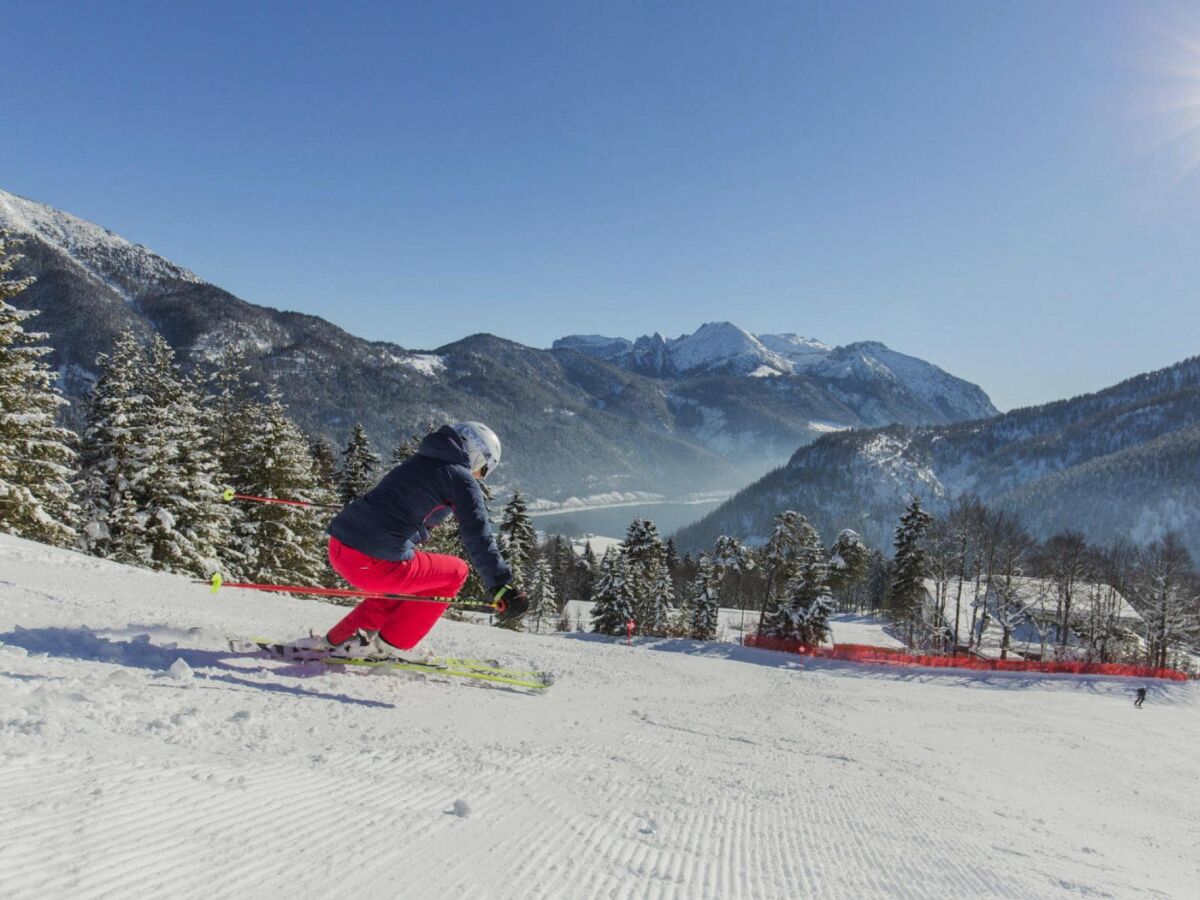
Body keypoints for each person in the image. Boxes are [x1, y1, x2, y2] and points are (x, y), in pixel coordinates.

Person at [293, 422, 527, 660]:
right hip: (373, 563)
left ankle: (337, 641)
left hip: (340, 549)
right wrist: (501, 586)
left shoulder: (420, 460)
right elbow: (477, 534)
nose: (479, 476)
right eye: (484, 470)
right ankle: (391, 647)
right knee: (456, 572)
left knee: (405, 588)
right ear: (477, 455)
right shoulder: (460, 477)